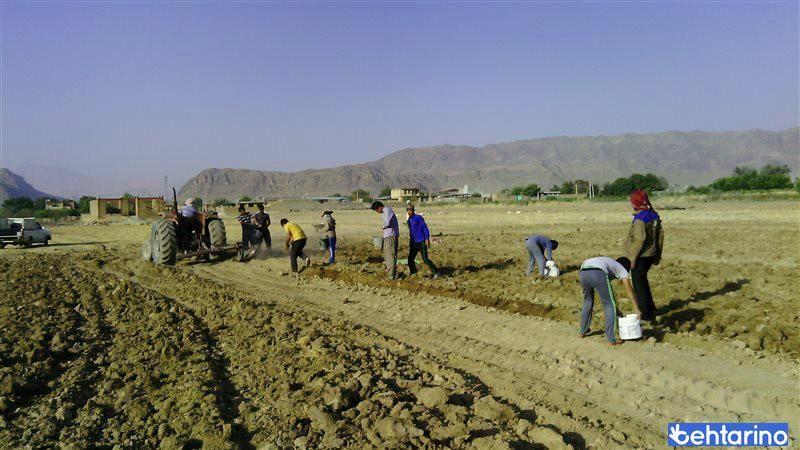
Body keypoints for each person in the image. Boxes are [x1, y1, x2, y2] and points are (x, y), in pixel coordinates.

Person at [578, 256, 641, 346]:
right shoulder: (622, 269)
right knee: (609, 304)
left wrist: (616, 310)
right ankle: (612, 338)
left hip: (583, 271)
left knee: (588, 301)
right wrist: (637, 309)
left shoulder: (611, 264)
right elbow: (630, 291)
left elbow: (606, 293)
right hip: (597, 272)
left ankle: (582, 331)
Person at [623, 189, 664, 321]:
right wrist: (657, 254)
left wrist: (632, 259)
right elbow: (660, 237)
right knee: (643, 281)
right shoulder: (654, 215)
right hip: (651, 254)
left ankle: (646, 313)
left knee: (639, 285)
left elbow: (639, 240)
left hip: (641, 256)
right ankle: (651, 308)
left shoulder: (640, 219)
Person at [405, 205, 438, 278]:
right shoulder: (409, 220)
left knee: (425, 259)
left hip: (421, 241)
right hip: (414, 242)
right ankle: (413, 272)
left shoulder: (418, 218)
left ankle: (436, 272)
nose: (409, 212)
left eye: (410, 210)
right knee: (410, 258)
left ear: (413, 211)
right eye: (408, 210)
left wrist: (427, 238)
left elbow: (424, 228)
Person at [370, 201, 399, 279]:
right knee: (388, 254)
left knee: (389, 255)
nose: (377, 212)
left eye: (376, 210)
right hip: (388, 235)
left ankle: (391, 275)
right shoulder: (385, 211)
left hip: (390, 235)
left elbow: (387, 223)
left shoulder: (387, 210)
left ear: (379, 207)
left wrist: (383, 226)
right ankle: (392, 273)